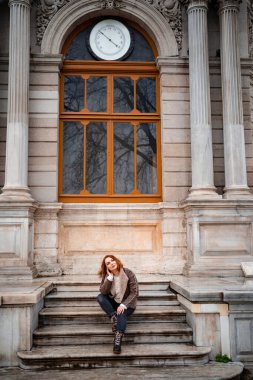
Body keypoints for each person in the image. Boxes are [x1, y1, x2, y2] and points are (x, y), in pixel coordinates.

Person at [97, 255, 139, 354]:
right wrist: (110, 279)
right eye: (108, 263)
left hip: (127, 304)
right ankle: (114, 317)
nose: (111, 263)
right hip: (114, 302)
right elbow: (103, 291)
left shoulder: (128, 273)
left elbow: (135, 292)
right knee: (100, 297)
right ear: (106, 267)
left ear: (116, 261)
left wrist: (124, 305)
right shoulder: (107, 276)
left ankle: (118, 340)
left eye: (112, 260)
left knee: (122, 313)